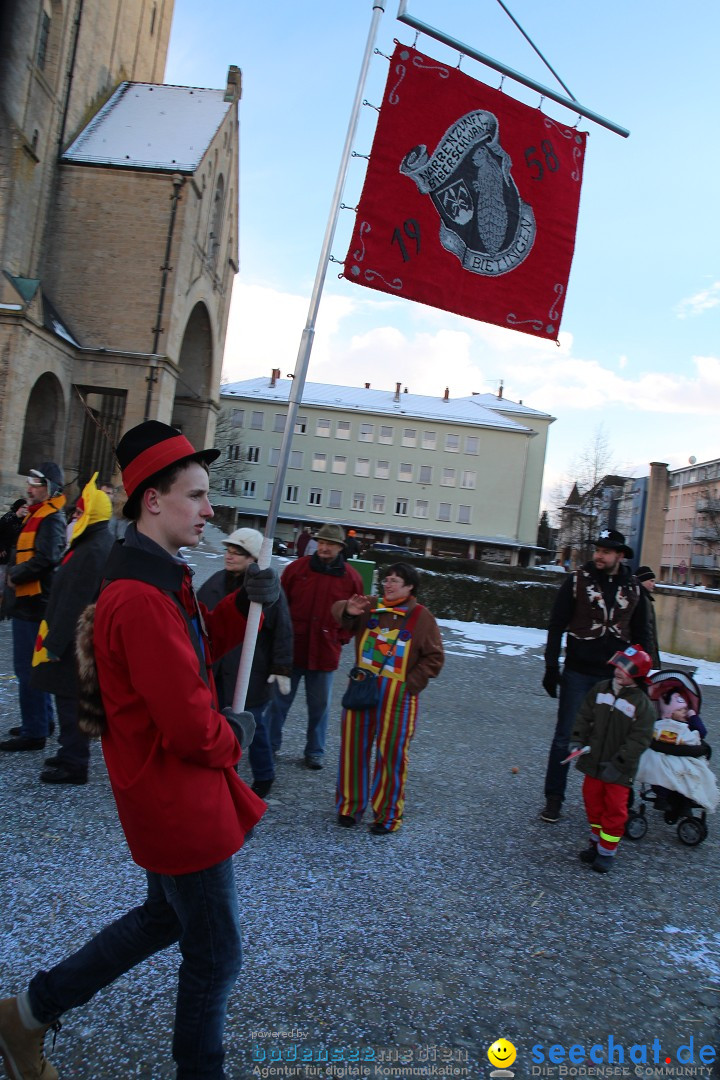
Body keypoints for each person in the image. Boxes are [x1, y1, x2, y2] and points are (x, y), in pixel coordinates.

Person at [0, 420, 279, 1080]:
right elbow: (190, 728)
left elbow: (191, 647)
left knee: (163, 919)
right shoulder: (139, 592)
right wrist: (235, 732)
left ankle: (27, 1014)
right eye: (197, 495)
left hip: (168, 793)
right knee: (215, 956)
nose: (210, 511)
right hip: (177, 799)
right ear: (153, 499)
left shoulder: (153, 576)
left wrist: (242, 603)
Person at [539, 527, 652, 823]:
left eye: (605, 551)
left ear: (619, 555)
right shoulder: (577, 581)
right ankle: (554, 798)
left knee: (618, 740)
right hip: (578, 672)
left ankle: (619, 801)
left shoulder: (635, 588)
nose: (599, 555)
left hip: (618, 678)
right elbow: (556, 624)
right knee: (565, 736)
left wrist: (644, 677)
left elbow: (642, 636)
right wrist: (552, 667)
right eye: (597, 550)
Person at [332, 563, 444, 835]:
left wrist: (410, 685)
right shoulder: (370, 605)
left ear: (410, 587)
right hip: (362, 688)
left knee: (391, 756)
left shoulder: (422, 617)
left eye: (396, 581)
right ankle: (349, 807)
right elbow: (338, 615)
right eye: (387, 580)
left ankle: (387, 815)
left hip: (397, 697)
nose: (388, 584)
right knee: (353, 749)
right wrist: (348, 611)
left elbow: (435, 658)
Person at [29, 474, 114, 785]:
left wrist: (54, 641)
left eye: (79, 513)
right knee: (72, 700)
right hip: (78, 638)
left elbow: (74, 602)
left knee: (71, 701)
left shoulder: (92, 548)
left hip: (75, 641)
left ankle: (74, 762)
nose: (75, 517)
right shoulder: (94, 541)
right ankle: (70, 753)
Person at [198, 527, 293, 799]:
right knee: (223, 728)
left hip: (251, 673)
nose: (229, 556)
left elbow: (282, 630)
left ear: (253, 558)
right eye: (228, 550)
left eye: (237, 552)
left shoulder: (268, 588)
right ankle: (228, 776)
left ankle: (264, 775)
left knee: (255, 728)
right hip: (217, 672)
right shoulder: (215, 582)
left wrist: (281, 668)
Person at [267, 522, 363, 769]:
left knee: (319, 707)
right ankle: (268, 745)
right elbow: (279, 605)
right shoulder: (297, 569)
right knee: (278, 702)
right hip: (291, 649)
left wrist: (338, 637)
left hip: (324, 652)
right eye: (321, 542)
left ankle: (315, 751)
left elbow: (355, 617)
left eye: (329, 543)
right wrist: (279, 639)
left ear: (340, 547)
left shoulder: (351, 578)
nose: (323, 547)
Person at [569, 645, 656, 873]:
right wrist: (577, 740)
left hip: (618, 771)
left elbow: (639, 740)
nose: (618, 672)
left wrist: (619, 764)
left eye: (625, 669)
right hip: (594, 763)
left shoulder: (642, 705)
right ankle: (596, 844)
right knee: (593, 804)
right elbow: (584, 716)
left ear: (637, 674)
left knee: (615, 810)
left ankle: (607, 852)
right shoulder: (601, 689)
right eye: (617, 666)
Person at [0, 463, 66, 753]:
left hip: (34, 604)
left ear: (50, 487)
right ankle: (42, 721)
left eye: (36, 484)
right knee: (33, 669)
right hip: (30, 603)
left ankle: (34, 731)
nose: (29, 489)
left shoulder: (51, 518)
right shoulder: (40, 513)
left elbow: (48, 557)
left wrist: (17, 573)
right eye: (30, 483)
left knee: (27, 670)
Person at [635, 670, 719, 816]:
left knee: (690, 773)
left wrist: (693, 715)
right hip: (664, 758)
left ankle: (685, 804)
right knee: (660, 769)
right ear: (669, 712)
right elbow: (652, 734)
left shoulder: (688, 725)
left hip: (683, 758)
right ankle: (662, 798)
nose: (685, 713)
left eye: (686, 709)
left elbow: (701, 732)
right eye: (681, 710)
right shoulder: (662, 724)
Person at [635, 565, 661, 669]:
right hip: (643, 655)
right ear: (642, 581)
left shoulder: (645, 599)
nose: (653, 584)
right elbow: (647, 631)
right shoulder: (643, 601)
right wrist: (652, 660)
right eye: (651, 581)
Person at [0, 498, 27, 595]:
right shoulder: (8, 518)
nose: (25, 509)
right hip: (4, 553)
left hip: (14, 554)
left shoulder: (24, 521)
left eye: (27, 507)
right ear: (18, 508)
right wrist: (1, 547)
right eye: (23, 507)